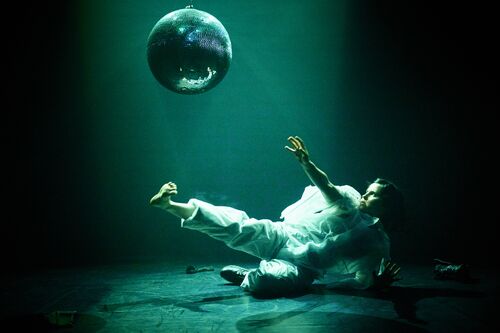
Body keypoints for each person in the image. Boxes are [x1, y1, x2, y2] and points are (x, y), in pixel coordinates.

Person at [150, 136, 403, 295]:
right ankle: (169, 205)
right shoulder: (348, 198)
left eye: (372, 194)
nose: (365, 195)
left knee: (267, 282)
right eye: (367, 190)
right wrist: (307, 164)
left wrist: (378, 282)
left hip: (303, 267)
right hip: (282, 236)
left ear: (386, 204)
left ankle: (246, 276)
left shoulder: (376, 242)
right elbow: (326, 185)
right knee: (237, 225)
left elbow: (367, 277)